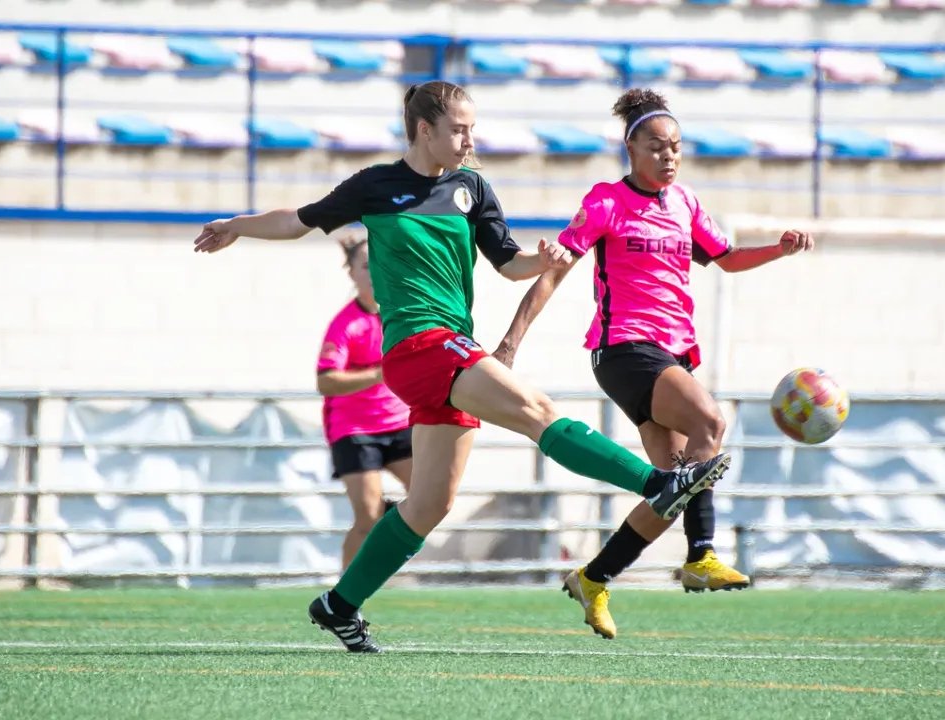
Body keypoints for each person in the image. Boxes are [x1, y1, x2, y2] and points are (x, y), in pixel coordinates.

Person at [193, 80, 731, 653]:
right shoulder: (376, 185)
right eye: (459, 129)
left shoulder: (472, 188)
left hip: (450, 349)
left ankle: (338, 605)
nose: (470, 139)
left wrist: (539, 261)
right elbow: (299, 219)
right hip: (419, 346)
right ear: (424, 130)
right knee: (535, 410)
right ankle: (660, 482)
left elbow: (509, 264)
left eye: (473, 128)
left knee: (430, 504)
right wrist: (238, 225)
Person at [493, 88, 814, 639]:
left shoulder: (685, 203)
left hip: (669, 353)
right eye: (657, 147)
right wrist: (509, 344)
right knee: (709, 422)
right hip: (623, 349)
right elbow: (555, 270)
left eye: (677, 148)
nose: (669, 156)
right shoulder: (605, 201)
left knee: (670, 490)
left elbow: (726, 259)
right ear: (631, 149)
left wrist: (777, 250)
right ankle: (702, 556)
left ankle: (594, 578)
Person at [318, 236, 412, 571]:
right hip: (354, 430)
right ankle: (343, 594)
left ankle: (391, 520)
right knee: (367, 518)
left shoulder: (403, 313)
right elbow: (325, 380)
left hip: (400, 424)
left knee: (434, 496)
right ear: (353, 274)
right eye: (365, 265)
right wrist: (377, 374)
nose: (374, 272)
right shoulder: (346, 325)